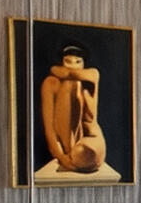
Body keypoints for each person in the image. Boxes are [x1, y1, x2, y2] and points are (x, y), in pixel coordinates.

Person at [38, 43, 108, 174]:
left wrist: (55, 69)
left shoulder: (93, 75)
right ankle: (69, 150)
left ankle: (74, 158)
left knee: (72, 82)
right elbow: (49, 128)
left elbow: (68, 73)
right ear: (62, 62)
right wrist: (61, 157)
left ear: (84, 64)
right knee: (66, 83)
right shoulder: (51, 84)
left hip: (92, 140)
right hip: (68, 146)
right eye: (68, 61)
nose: (73, 66)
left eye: (78, 62)